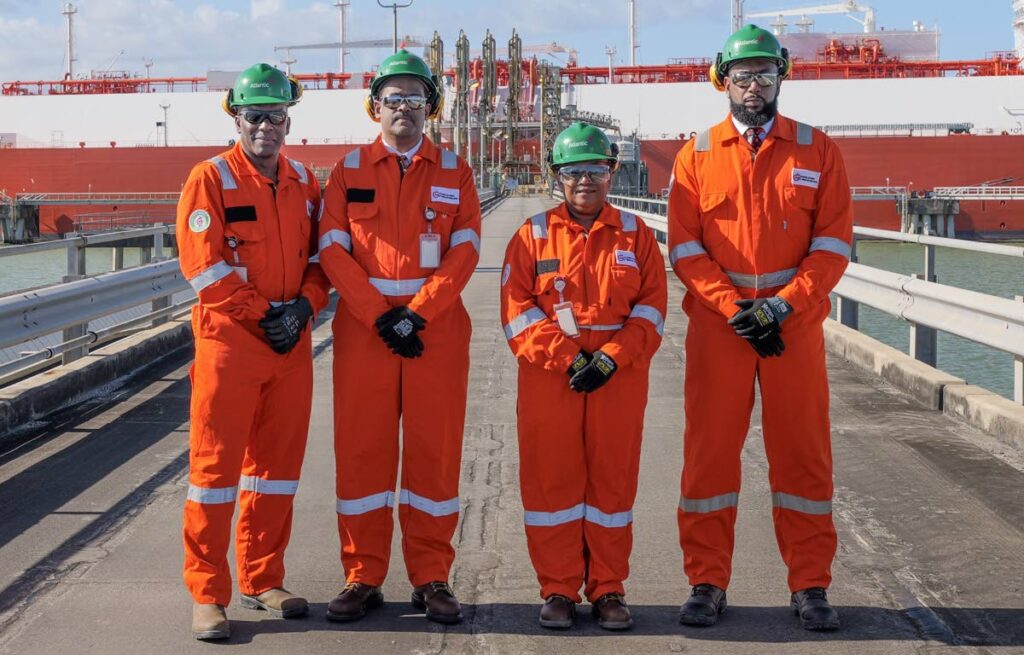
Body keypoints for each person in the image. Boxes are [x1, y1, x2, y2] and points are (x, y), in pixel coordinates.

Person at [667, 24, 853, 631]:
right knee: (709, 458)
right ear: (723, 80)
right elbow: (686, 250)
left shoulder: (816, 150)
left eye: (765, 75)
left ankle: (810, 585)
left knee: (803, 457)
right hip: (721, 331)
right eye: (742, 76)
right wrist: (733, 308)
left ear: (781, 78)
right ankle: (706, 581)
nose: (754, 86)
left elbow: (832, 246)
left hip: (791, 330)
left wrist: (783, 305)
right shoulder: (695, 156)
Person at [316, 49, 481, 625]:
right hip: (367, 335)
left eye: (414, 98)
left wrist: (418, 313)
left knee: (433, 456)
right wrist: (379, 315)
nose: (403, 109)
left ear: (430, 107)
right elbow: (332, 249)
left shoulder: (455, 170)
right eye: (393, 99)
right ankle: (362, 575)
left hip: (434, 334)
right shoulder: (347, 171)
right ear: (374, 108)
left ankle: (432, 576)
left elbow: (466, 248)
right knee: (363, 451)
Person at [175, 63, 329, 640]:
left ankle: (264, 579)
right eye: (255, 115)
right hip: (230, 347)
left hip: (290, 348)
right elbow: (203, 267)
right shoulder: (209, 179)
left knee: (277, 473)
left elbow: (321, 260)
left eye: (276, 115)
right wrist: (265, 316)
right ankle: (208, 593)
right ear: (236, 119)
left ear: (289, 119)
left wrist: (306, 307)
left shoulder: (304, 182)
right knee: (214, 475)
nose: (266, 125)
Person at [500, 122, 667, 630]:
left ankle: (610, 588)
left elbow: (653, 310)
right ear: (557, 176)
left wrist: (613, 356)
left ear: (611, 172)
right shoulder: (530, 236)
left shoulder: (637, 236)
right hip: (552, 379)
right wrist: (568, 357)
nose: (585, 182)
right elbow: (517, 312)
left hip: (618, 377)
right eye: (574, 172)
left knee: (612, 485)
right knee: (552, 483)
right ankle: (557, 588)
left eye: (595, 170)